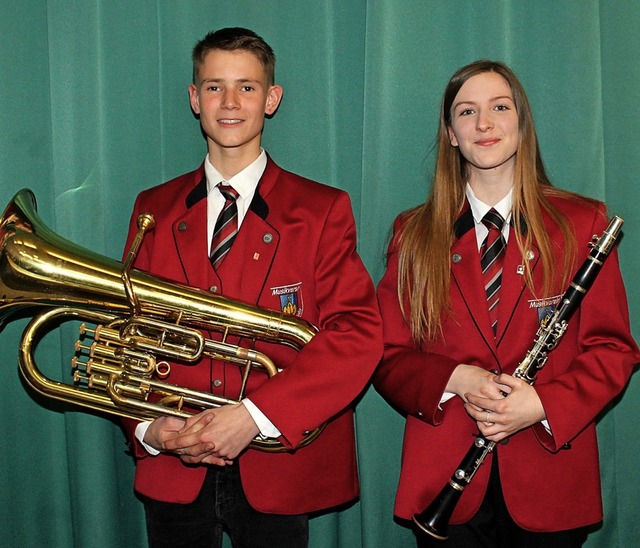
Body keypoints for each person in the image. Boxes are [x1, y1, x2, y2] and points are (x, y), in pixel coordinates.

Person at [121, 27, 383, 548]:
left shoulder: (321, 210)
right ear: (194, 99)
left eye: (247, 86)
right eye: (214, 87)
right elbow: (128, 334)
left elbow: (356, 333)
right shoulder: (153, 208)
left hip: (279, 468)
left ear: (272, 99)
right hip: (176, 467)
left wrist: (254, 417)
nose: (230, 101)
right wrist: (149, 429)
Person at [373, 59, 639, 547]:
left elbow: (614, 350)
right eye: (466, 112)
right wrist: (458, 378)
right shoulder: (412, 234)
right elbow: (387, 355)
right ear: (451, 133)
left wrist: (540, 403)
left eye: (500, 107)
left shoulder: (581, 223)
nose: (485, 123)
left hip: (550, 477)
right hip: (444, 480)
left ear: (522, 121)